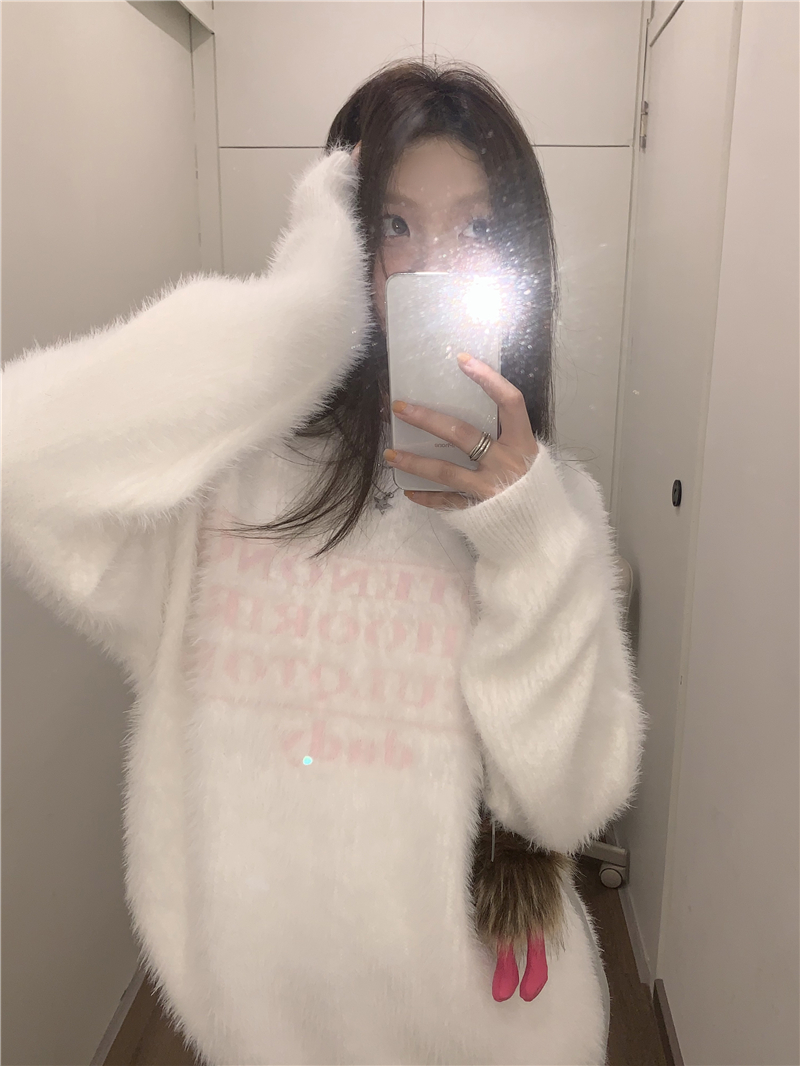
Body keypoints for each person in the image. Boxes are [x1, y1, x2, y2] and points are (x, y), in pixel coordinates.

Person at [2, 59, 645, 1065]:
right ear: (342, 239)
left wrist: (523, 538)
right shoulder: (226, 487)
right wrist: (296, 316)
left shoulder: (551, 512)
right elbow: (24, 456)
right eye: (392, 224)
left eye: (477, 229)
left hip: (495, 1040)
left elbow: (566, 801)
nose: (429, 265)